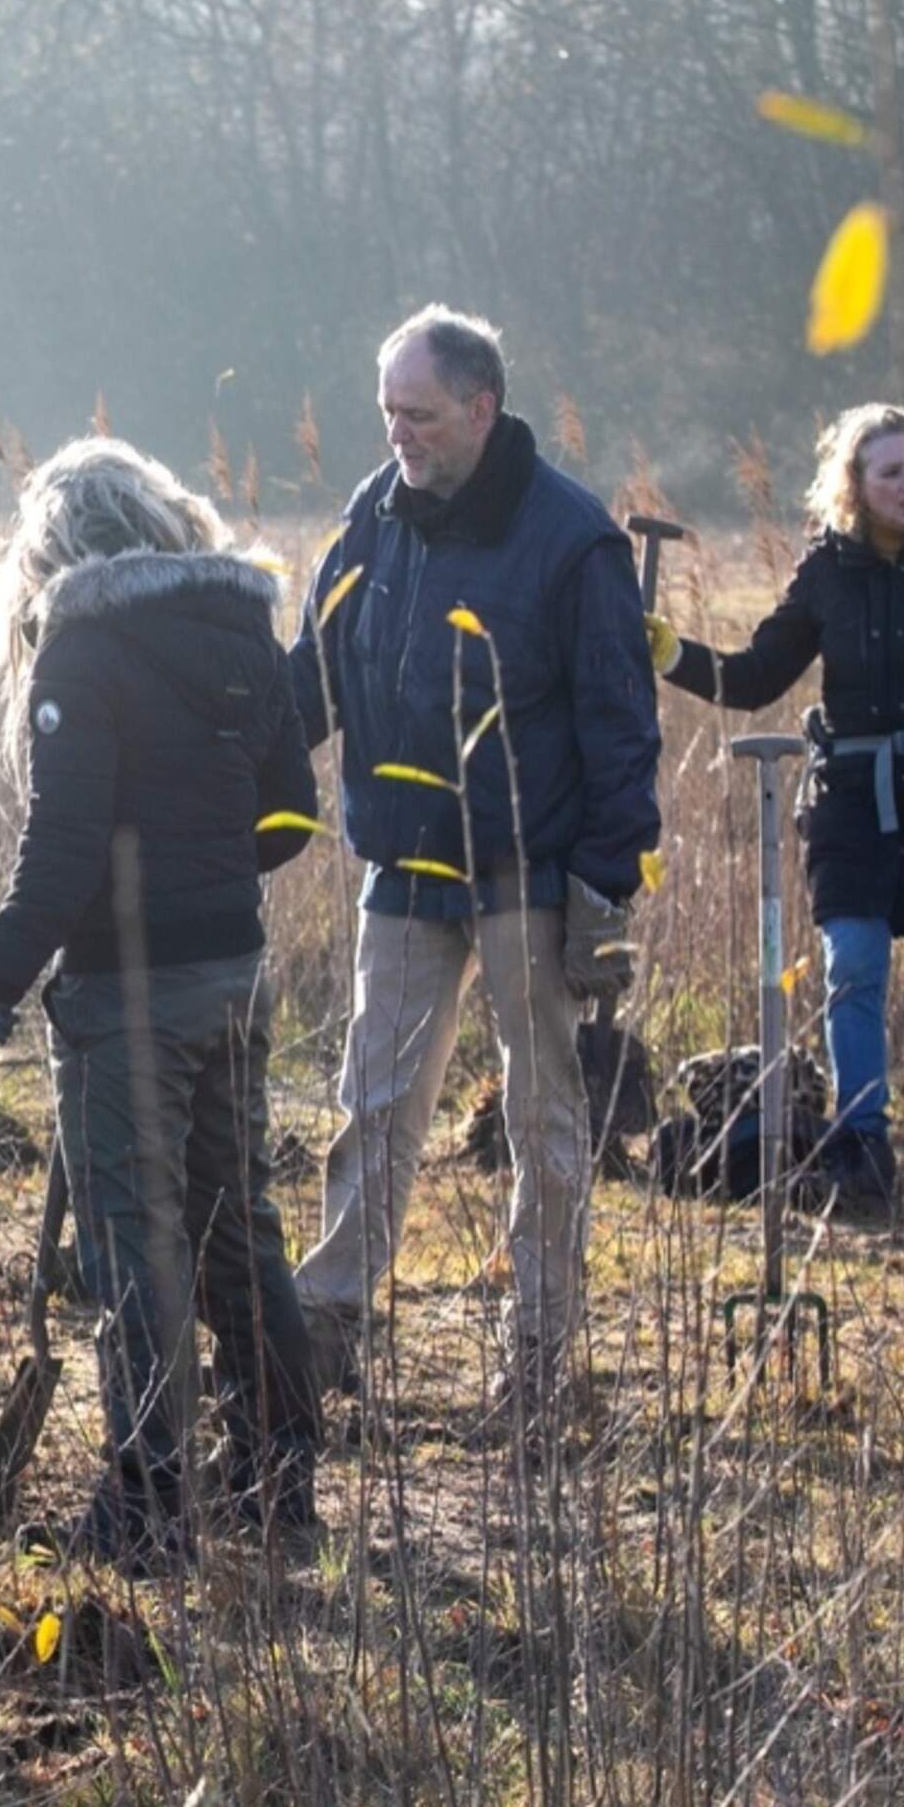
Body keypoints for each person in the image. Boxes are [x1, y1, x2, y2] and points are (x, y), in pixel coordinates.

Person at [0, 437, 326, 1572]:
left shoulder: (81, 649)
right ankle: (279, 1473)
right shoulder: (241, 630)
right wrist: (205, 876)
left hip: (127, 997)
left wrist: (1, 978)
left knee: (135, 1246)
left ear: (54, 547)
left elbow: (62, 847)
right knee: (236, 1227)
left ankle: (151, 1503)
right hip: (236, 979)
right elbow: (292, 810)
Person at [286, 305, 661, 1425]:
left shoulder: (571, 539)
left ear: (482, 410)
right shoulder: (374, 515)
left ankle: (537, 1363)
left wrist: (604, 886)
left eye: (422, 415)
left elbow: (618, 720)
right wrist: (236, 763)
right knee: (375, 1108)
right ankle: (325, 1334)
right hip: (402, 873)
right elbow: (318, 668)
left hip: (527, 878)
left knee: (544, 1126)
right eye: (389, 412)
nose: (399, 433)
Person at [650, 403, 904, 1212]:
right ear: (856, 487)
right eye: (890, 471)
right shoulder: (827, 571)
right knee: (853, 971)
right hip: (854, 809)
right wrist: (671, 654)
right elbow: (757, 675)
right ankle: (863, 1154)